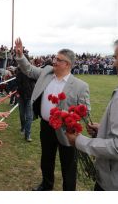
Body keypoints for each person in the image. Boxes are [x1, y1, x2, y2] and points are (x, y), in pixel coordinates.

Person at [15, 38, 90, 191]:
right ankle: (46, 185)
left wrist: (67, 116)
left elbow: (85, 111)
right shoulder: (46, 73)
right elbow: (28, 69)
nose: (54, 61)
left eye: (58, 59)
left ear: (67, 64)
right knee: (46, 159)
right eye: (55, 58)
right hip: (46, 126)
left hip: (67, 131)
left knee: (68, 164)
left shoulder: (80, 86)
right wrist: (20, 55)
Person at [65, 40, 118, 191]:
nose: (114, 64)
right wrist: (102, 130)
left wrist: (80, 141)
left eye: (116, 58)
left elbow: (117, 147)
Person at [16, 56, 36, 142]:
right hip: (21, 96)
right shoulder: (18, 72)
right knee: (21, 114)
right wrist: (17, 92)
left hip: (30, 97)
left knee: (29, 116)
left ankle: (27, 134)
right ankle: (23, 127)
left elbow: (35, 81)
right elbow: (17, 84)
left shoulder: (31, 71)